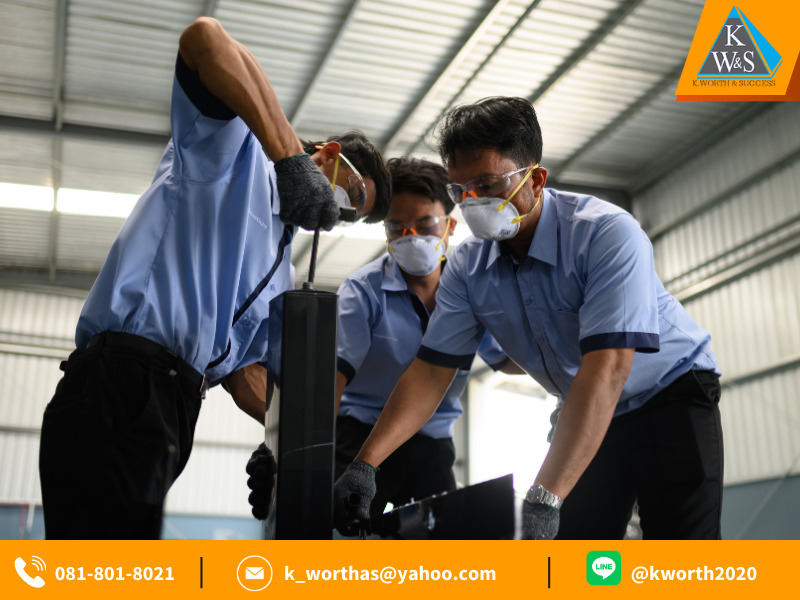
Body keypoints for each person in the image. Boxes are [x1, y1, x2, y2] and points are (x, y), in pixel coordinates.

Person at [38, 16, 391, 540]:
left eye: (351, 216)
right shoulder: (234, 153)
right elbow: (205, 37)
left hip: (177, 403)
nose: (340, 213)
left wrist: (287, 446)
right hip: (121, 379)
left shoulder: (281, 274)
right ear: (329, 155)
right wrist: (290, 159)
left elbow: (246, 377)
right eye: (351, 195)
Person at [334, 96, 723, 541]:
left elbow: (608, 369)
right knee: (572, 556)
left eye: (487, 184)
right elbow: (430, 372)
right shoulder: (467, 268)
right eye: (462, 191)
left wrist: (546, 495)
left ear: (535, 180)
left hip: (671, 396)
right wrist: (365, 464)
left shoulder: (605, 234)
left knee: (682, 556)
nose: (474, 201)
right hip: (587, 405)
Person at [246, 157, 520, 527]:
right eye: (396, 227)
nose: (411, 236)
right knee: (337, 533)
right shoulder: (363, 291)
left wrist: (568, 374)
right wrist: (294, 452)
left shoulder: (471, 290)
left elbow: (509, 360)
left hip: (432, 443)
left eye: (425, 224)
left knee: (443, 544)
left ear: (450, 225)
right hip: (358, 436)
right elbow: (332, 382)